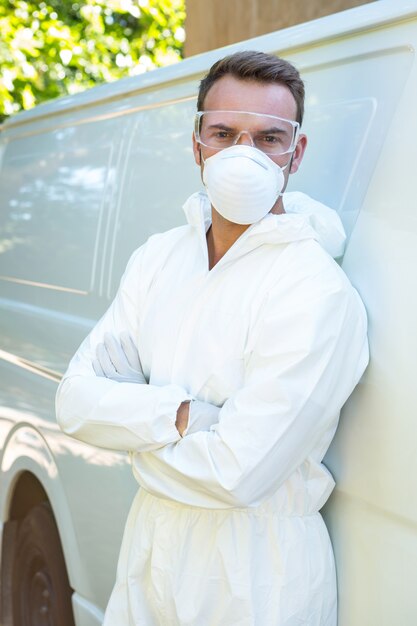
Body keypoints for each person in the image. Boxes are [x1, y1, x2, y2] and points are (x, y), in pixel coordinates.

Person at [56, 50, 369, 625]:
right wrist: (185, 416)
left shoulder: (314, 289)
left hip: (257, 577)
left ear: (295, 153)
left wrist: (132, 440)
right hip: (150, 550)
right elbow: (74, 402)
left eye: (268, 137)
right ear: (196, 142)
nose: (243, 154)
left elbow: (238, 474)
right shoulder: (160, 257)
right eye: (224, 132)